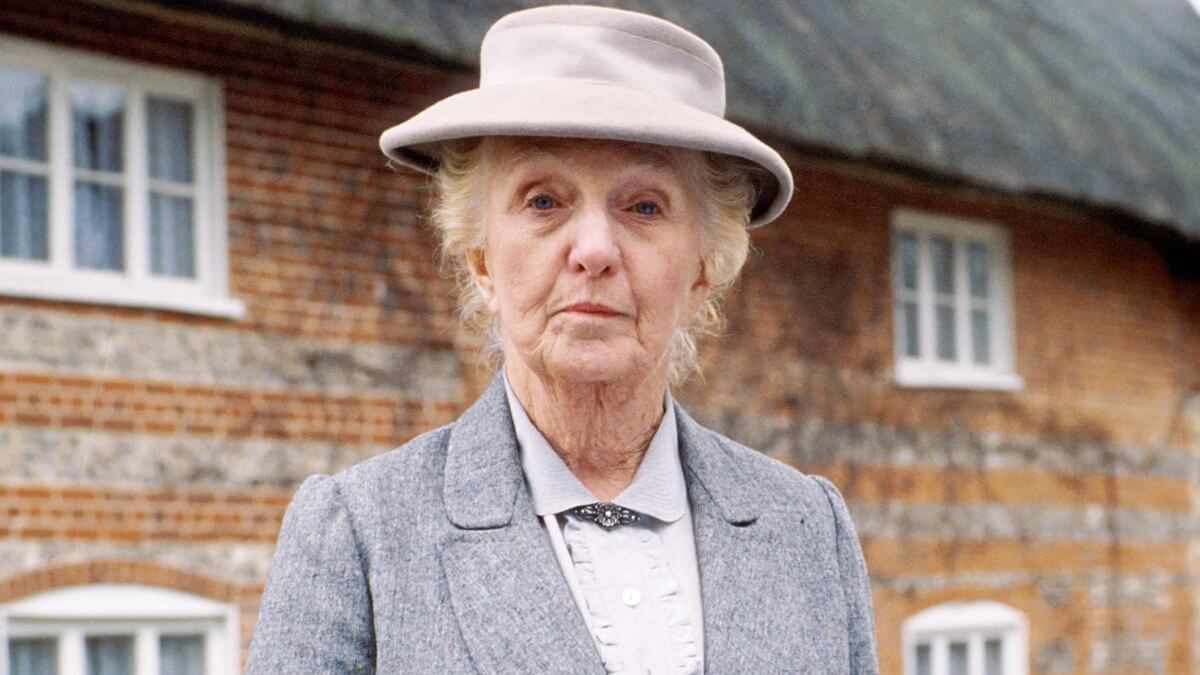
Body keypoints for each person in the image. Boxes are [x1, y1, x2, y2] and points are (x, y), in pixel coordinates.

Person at [247, 5, 878, 673]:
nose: (595, 250)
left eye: (644, 206)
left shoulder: (808, 527)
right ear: (481, 259)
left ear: (703, 266)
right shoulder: (360, 533)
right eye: (543, 201)